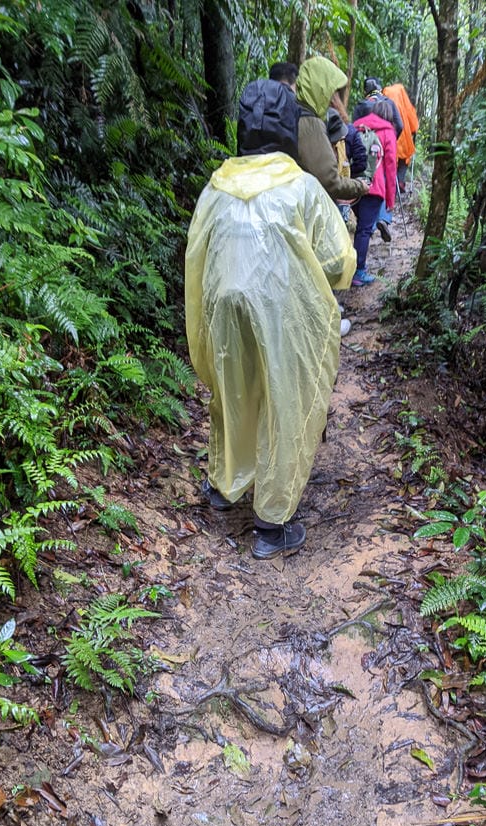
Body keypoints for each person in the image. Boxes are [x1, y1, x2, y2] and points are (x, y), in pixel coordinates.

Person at [185, 146, 356, 559]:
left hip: (223, 304)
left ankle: (226, 486)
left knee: (233, 390)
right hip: (283, 308)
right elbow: (336, 263)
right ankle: (271, 524)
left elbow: (196, 254)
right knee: (285, 402)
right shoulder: (301, 187)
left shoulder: (216, 188)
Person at [295, 56, 368, 204]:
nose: (332, 100)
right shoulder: (310, 124)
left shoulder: (292, 112)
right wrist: (360, 186)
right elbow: (330, 181)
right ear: (321, 89)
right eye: (331, 92)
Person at [350, 101, 397, 286]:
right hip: (374, 187)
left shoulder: (356, 126)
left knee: (356, 228)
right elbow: (391, 166)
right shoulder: (388, 131)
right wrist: (390, 199)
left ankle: (349, 267)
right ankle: (358, 272)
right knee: (364, 230)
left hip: (351, 184)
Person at [383, 82, 419, 192]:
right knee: (404, 157)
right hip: (403, 135)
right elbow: (410, 114)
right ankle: (400, 182)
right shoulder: (401, 93)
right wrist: (414, 128)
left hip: (387, 135)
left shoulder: (385, 93)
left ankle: (390, 184)